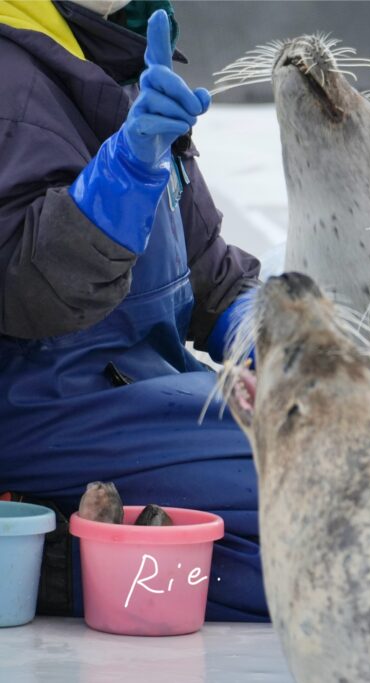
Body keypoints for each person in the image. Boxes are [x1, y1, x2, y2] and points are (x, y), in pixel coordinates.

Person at [0, 1, 267, 621]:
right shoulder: (13, 77)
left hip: (134, 391)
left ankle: (80, 558)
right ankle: (54, 554)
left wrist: (281, 347)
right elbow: (27, 288)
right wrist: (122, 173)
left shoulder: (115, 52)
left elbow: (211, 274)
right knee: (311, 472)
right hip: (41, 406)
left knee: (337, 457)